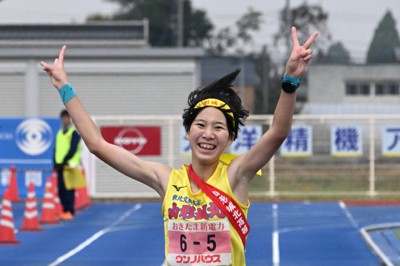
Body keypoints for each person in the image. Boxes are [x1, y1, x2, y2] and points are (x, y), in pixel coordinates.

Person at [41, 26, 317, 265]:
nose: (208, 134)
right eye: (200, 125)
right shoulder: (166, 179)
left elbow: (278, 132)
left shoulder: (237, 176)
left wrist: (290, 80)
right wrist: (65, 86)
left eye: (218, 127)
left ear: (230, 138)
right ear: (187, 132)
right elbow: (97, 145)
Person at [53, 109, 82, 220]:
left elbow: (73, 149)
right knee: (61, 190)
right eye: (63, 118)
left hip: (70, 166)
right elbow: (56, 150)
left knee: (69, 190)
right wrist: (55, 163)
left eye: (67, 118)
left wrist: (64, 161)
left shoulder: (73, 133)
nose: (65, 120)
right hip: (60, 166)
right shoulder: (59, 134)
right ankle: (65, 210)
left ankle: (70, 211)